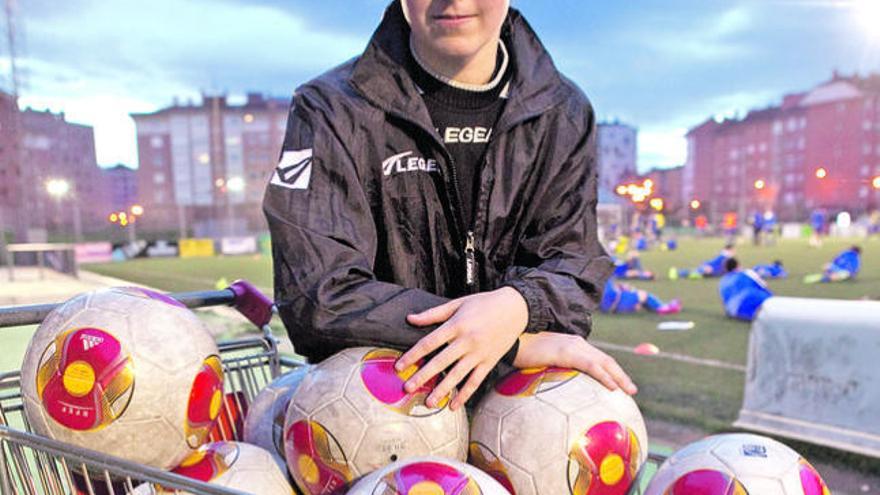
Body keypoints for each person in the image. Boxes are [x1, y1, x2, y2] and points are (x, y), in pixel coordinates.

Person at [263, 0, 636, 411]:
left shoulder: (563, 112)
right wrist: (509, 342)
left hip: (516, 420)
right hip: (377, 417)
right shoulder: (332, 107)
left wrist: (519, 304)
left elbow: (573, 263)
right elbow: (317, 294)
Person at [600, 279, 681, 315]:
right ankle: (663, 307)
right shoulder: (603, 268)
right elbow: (609, 294)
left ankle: (653, 306)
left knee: (631, 290)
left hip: (606, 304)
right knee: (643, 294)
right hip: (613, 304)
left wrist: (620, 287)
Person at [669, 244, 736, 280]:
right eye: (733, 250)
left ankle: (677, 273)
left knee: (694, 273)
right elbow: (720, 266)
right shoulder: (725, 257)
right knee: (693, 273)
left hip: (709, 269)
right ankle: (676, 273)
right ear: (729, 250)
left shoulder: (725, 256)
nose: (734, 252)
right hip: (708, 268)